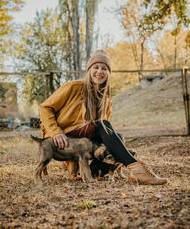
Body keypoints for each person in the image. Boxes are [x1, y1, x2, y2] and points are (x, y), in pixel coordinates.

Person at [39, 49, 167, 185]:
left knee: (118, 137)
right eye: (96, 67)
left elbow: (105, 134)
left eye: (104, 68)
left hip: (83, 141)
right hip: (61, 140)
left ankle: (95, 172)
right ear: (89, 70)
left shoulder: (106, 100)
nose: (99, 71)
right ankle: (137, 169)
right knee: (102, 125)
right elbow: (45, 108)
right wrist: (55, 133)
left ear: (108, 73)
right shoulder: (74, 87)